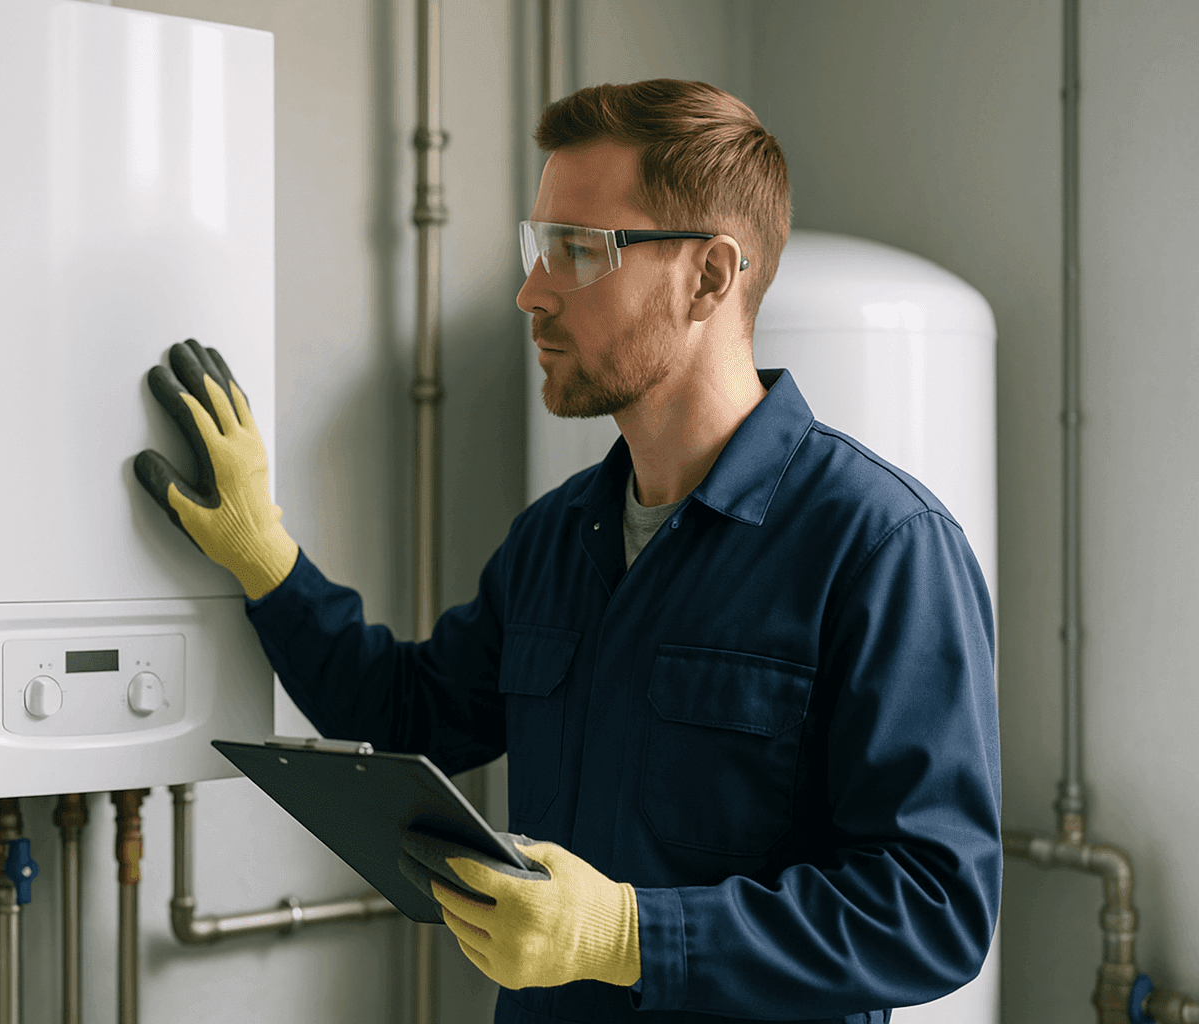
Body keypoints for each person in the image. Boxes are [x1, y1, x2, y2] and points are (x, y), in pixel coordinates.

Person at [133, 79, 1000, 1024]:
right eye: (536, 245)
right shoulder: (557, 537)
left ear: (710, 276)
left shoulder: (883, 549)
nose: (530, 290)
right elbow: (409, 714)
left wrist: (626, 935)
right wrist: (266, 559)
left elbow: (935, 908)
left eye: (578, 251)